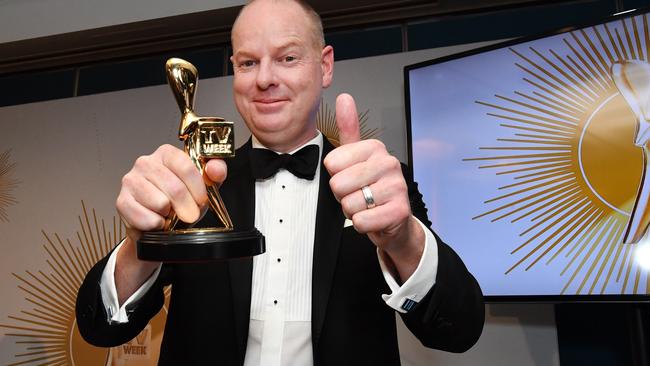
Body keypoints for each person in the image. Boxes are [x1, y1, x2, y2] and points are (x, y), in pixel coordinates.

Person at [76, 0, 484, 365]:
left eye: (287, 58)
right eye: (248, 62)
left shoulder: (378, 184)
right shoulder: (198, 187)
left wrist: (402, 238)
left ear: (324, 66)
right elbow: (100, 328)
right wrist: (138, 244)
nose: (264, 79)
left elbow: (458, 330)